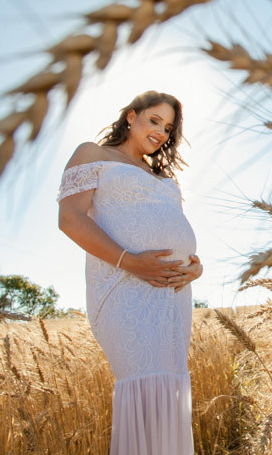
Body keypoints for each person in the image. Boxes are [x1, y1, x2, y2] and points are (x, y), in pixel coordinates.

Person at [56, 90, 203, 455]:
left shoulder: (163, 177)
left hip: (173, 295)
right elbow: (69, 219)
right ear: (131, 116)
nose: (161, 133)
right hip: (123, 286)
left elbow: (175, 229)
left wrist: (194, 267)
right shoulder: (93, 154)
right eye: (154, 120)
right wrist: (132, 262)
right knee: (145, 385)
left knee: (169, 389)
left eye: (168, 128)